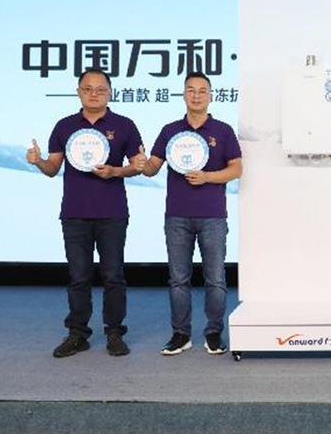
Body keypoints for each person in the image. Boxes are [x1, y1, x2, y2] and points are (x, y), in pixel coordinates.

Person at [26, 67, 145, 358]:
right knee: (78, 276)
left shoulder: (125, 125)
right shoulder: (65, 126)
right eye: (88, 89)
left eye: (100, 89)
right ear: (78, 92)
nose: (94, 94)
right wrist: (39, 161)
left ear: (110, 93)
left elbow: (137, 165)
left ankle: (114, 332)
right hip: (74, 213)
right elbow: (53, 169)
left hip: (112, 213)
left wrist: (116, 171)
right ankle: (78, 334)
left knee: (113, 276)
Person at [140, 72, 243, 356]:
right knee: (178, 279)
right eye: (191, 90)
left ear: (210, 96)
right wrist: (142, 164)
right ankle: (181, 334)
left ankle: (213, 332)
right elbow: (152, 168)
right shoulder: (170, 130)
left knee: (215, 279)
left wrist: (207, 177)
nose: (196, 96)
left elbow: (236, 169)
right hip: (177, 216)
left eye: (202, 91)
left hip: (212, 216)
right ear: (184, 95)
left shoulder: (223, 131)